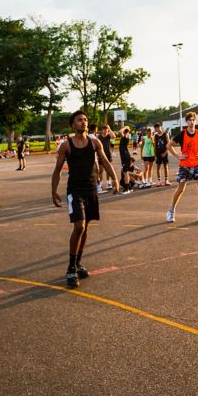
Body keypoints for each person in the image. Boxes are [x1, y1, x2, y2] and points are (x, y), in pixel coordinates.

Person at [51, 111, 118, 288]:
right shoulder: (66, 145)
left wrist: (115, 179)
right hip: (75, 190)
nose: (84, 122)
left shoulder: (94, 142)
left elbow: (104, 161)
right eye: (80, 120)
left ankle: (78, 263)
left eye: (86, 120)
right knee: (79, 226)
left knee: (86, 227)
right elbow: (57, 170)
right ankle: (71, 267)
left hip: (91, 189)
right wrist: (54, 192)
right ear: (73, 125)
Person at [165, 112, 198, 223]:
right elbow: (169, 145)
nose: (191, 122)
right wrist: (178, 156)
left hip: (196, 164)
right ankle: (171, 211)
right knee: (181, 189)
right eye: (189, 120)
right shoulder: (182, 134)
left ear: (195, 121)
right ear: (186, 122)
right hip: (184, 166)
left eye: (193, 120)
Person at [117, 126, 135, 192]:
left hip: (125, 157)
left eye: (124, 132)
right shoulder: (125, 138)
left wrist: (125, 127)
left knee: (125, 172)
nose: (122, 133)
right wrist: (126, 129)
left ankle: (127, 188)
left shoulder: (125, 138)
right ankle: (129, 187)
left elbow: (119, 131)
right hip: (125, 157)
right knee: (125, 172)